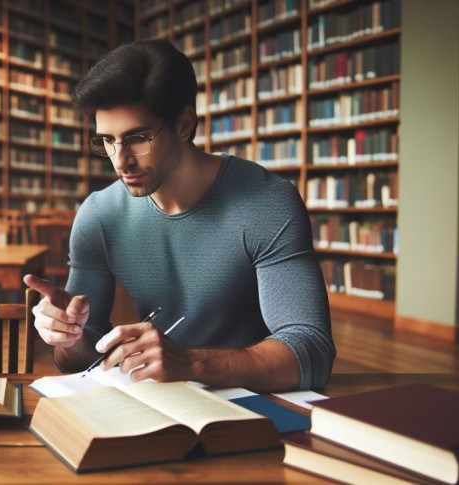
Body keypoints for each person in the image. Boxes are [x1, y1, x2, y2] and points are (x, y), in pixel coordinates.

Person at [24, 40, 335, 392]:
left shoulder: (266, 202)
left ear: (184, 124)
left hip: (254, 402)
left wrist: (189, 363)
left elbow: (312, 350)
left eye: (137, 138)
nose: (120, 160)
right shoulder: (98, 215)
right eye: (107, 141)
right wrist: (68, 337)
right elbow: (79, 358)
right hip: (157, 401)